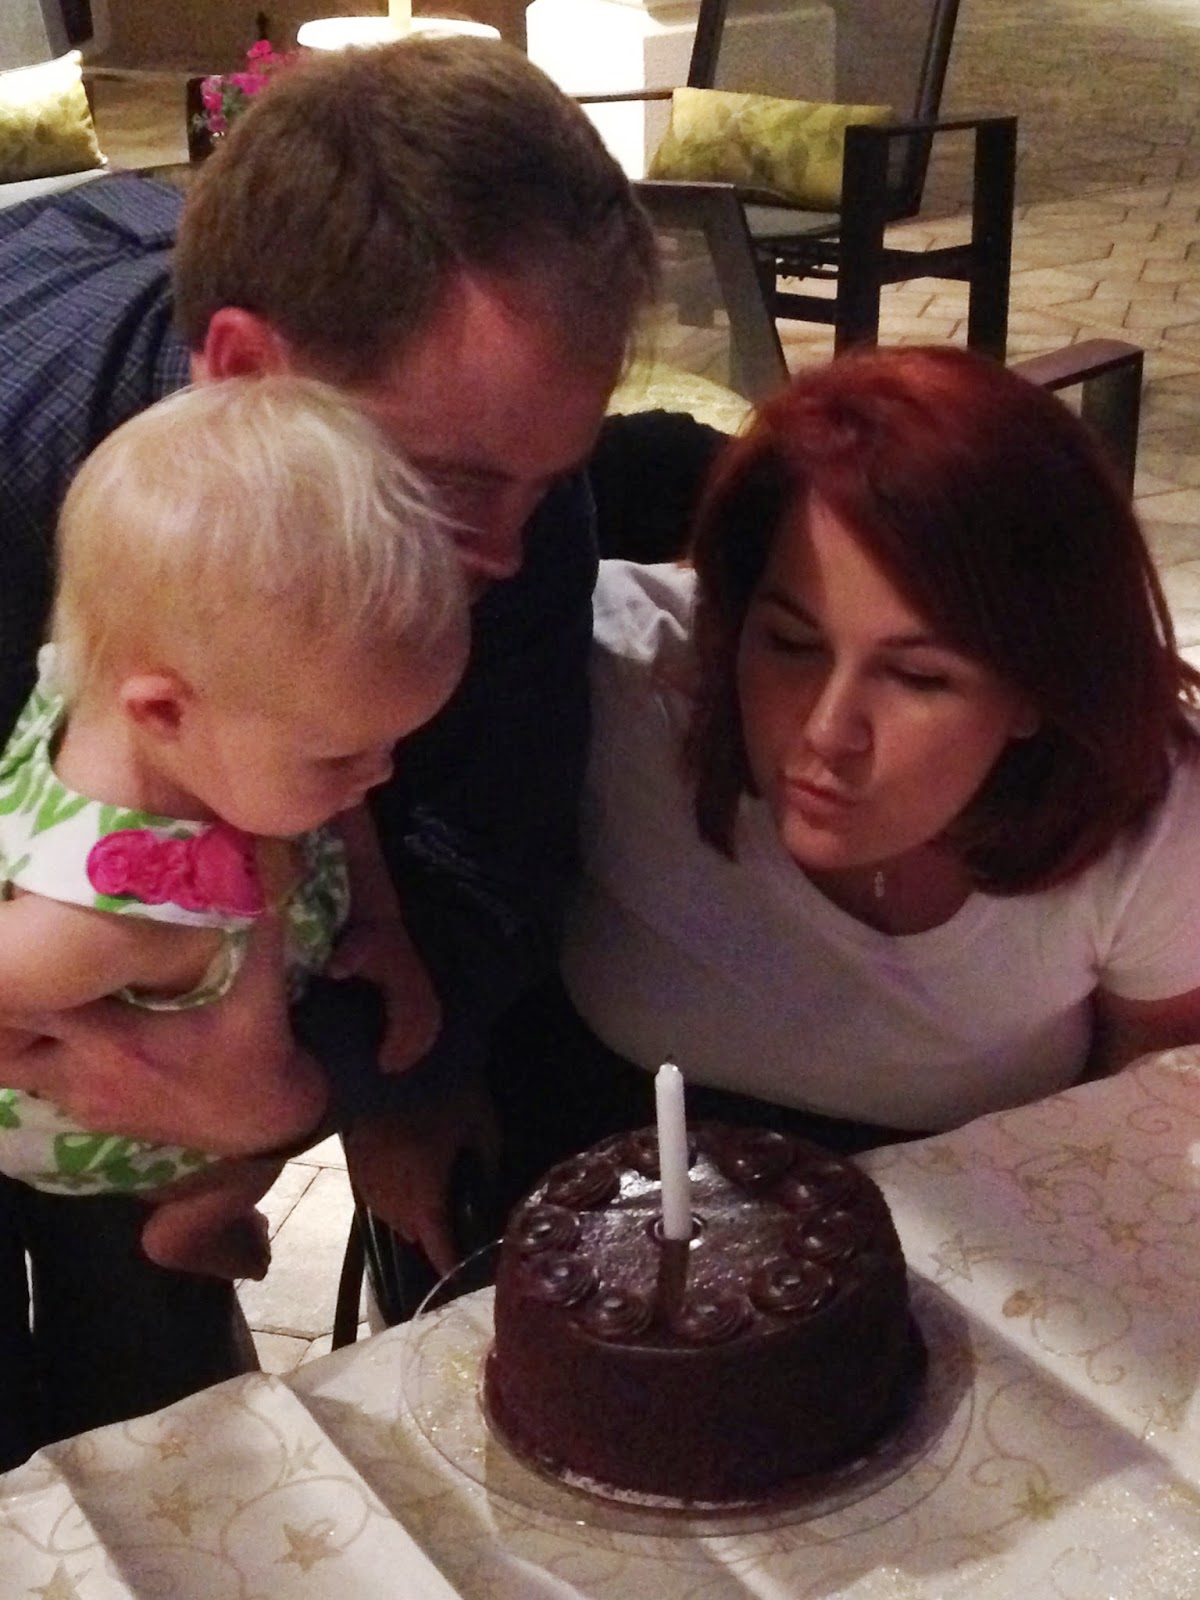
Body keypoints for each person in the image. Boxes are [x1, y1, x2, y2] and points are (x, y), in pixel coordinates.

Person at [0, 34, 656, 1464]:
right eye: (450, 484)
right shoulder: (20, 446)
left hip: (151, 1064)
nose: (505, 559)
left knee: (160, 1401)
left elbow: (487, 867)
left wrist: (309, 1084)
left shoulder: (508, 515)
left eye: (546, 482)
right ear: (243, 371)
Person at [487, 343, 1200, 1193]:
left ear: (1037, 690)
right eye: (791, 643)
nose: (826, 732)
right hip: (602, 1169)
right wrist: (404, 1101)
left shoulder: (1146, 808)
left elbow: (1146, 1106)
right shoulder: (610, 675)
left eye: (918, 676)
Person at [0, 375, 467, 1288]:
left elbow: (348, 802)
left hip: (218, 952)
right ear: (163, 711)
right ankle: (190, 1214)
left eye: (390, 743)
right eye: (344, 755)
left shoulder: (136, 687)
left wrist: (385, 923)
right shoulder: (112, 918)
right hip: (115, 1130)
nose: (380, 775)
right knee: (277, 1103)